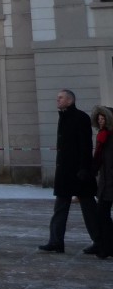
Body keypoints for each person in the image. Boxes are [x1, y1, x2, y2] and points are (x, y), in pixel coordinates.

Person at [40, 89, 100, 253]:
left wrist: (84, 169)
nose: (57, 101)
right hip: (65, 173)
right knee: (60, 208)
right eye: (57, 98)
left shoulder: (80, 118)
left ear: (69, 100)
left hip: (79, 173)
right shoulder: (64, 117)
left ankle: (101, 241)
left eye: (60, 98)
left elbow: (85, 146)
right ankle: (56, 241)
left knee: (89, 210)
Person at [91, 105, 113, 259]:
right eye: (98, 119)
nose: (100, 121)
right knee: (102, 215)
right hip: (106, 183)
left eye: (103, 118)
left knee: (102, 214)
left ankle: (107, 247)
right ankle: (106, 247)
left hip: (110, 183)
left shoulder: (109, 138)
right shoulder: (102, 137)